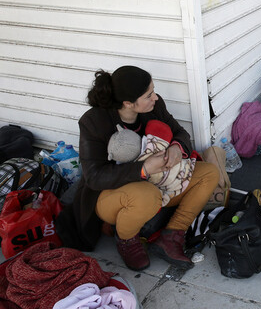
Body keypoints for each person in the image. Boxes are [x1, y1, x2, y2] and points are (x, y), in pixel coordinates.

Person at [56, 66, 219, 271]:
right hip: (110, 195)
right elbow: (94, 177)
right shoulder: (94, 122)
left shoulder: (154, 108)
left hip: (158, 182)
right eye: (148, 95)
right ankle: (126, 240)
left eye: (153, 91)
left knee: (209, 173)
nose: (155, 98)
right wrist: (144, 169)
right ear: (128, 103)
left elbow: (180, 132)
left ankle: (172, 236)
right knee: (148, 196)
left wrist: (177, 147)